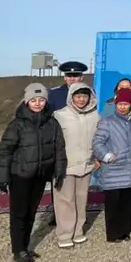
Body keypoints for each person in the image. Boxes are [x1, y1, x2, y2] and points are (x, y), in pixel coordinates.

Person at [0, 83, 67, 262]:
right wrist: (3, 177)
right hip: (20, 175)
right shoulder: (17, 124)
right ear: (27, 101)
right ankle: (18, 249)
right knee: (19, 213)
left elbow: (59, 149)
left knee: (31, 212)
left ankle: (26, 246)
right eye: (34, 100)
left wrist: (58, 171)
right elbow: (5, 151)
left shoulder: (52, 123)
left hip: (40, 175)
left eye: (41, 100)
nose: (37, 103)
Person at [52, 83, 100, 249]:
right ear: (71, 97)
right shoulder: (59, 115)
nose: (81, 99)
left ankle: (78, 231)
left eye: (84, 96)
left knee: (81, 199)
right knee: (65, 201)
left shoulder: (95, 116)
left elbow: (97, 140)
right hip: (65, 166)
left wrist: (96, 158)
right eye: (78, 96)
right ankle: (65, 234)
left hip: (86, 164)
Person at [92, 88, 131, 243]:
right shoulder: (107, 121)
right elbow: (97, 142)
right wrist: (106, 156)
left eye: (125, 103)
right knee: (113, 204)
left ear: (130, 104)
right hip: (113, 169)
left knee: (126, 203)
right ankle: (113, 234)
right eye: (120, 103)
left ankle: (124, 231)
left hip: (129, 168)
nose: (122, 107)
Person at [45, 61, 88, 227]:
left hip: (80, 144)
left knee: (79, 185)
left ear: (81, 76)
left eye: (76, 75)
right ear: (64, 77)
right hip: (59, 144)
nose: (72, 78)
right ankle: (58, 215)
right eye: (69, 76)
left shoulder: (87, 94)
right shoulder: (54, 95)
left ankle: (78, 217)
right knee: (59, 182)